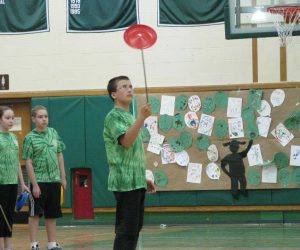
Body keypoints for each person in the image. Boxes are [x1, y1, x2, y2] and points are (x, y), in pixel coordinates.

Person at [103, 76, 156, 250]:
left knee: (134, 229)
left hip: (135, 181)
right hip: (124, 182)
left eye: (131, 86)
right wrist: (142, 118)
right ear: (113, 94)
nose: (129, 89)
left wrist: (142, 178)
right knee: (127, 231)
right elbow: (126, 142)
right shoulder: (113, 117)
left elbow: (133, 152)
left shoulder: (129, 117)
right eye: (124, 87)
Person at [22, 106, 66, 250]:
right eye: (40, 117)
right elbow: (28, 161)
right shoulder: (29, 137)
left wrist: (63, 178)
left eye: (46, 116)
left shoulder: (54, 133)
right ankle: (33, 243)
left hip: (54, 180)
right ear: (34, 119)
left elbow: (60, 155)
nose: (44, 119)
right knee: (35, 214)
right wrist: (34, 184)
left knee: (52, 214)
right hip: (39, 180)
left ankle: (52, 243)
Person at [0, 106, 30, 250]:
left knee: (9, 215)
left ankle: (8, 246)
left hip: (12, 182)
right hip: (1, 183)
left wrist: (22, 183)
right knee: (1, 217)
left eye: (12, 118)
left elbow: (16, 161)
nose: (11, 120)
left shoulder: (13, 137)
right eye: (7, 118)